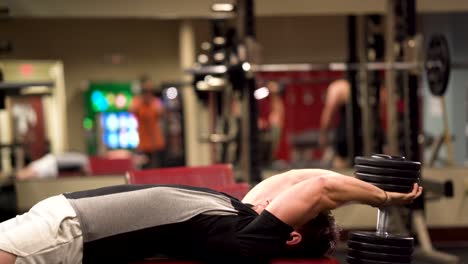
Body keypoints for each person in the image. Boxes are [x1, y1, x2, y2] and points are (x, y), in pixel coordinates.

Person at [0, 168, 422, 264]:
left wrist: (384, 197)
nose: (276, 196)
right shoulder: (237, 211)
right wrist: (374, 186)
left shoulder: (249, 239)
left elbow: (318, 191)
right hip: (60, 218)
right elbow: (300, 177)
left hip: (66, 235)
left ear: (291, 235)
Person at [129, 75, 166, 169]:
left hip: (157, 144)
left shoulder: (155, 102)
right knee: (144, 171)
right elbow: (131, 110)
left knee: (157, 170)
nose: (148, 93)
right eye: (145, 90)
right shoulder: (137, 102)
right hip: (143, 145)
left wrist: (151, 102)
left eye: (150, 90)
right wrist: (142, 100)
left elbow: (161, 112)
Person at [16, 152, 90, 180]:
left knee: (76, 161)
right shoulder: (31, 169)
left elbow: (31, 173)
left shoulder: (31, 168)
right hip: (53, 167)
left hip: (53, 162)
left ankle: (84, 164)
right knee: (72, 166)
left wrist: (22, 176)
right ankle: (84, 168)